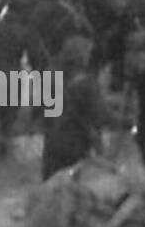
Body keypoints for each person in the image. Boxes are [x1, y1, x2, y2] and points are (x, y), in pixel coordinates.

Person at [41, 35, 109, 181]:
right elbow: (100, 115)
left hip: (52, 145)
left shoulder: (50, 76)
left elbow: (45, 113)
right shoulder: (86, 83)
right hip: (77, 145)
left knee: (51, 189)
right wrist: (126, 121)